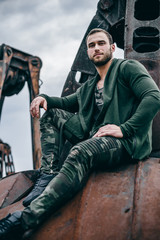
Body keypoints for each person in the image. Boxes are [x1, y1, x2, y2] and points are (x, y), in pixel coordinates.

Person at [0, 28, 160, 239]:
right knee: (51, 113)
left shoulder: (127, 68)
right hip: (98, 136)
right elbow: (67, 103)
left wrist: (124, 128)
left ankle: (25, 219)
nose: (96, 48)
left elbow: (153, 97)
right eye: (92, 45)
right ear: (88, 52)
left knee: (80, 152)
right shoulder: (91, 85)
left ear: (112, 48)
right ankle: (48, 173)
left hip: (125, 143)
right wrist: (44, 98)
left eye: (101, 43)